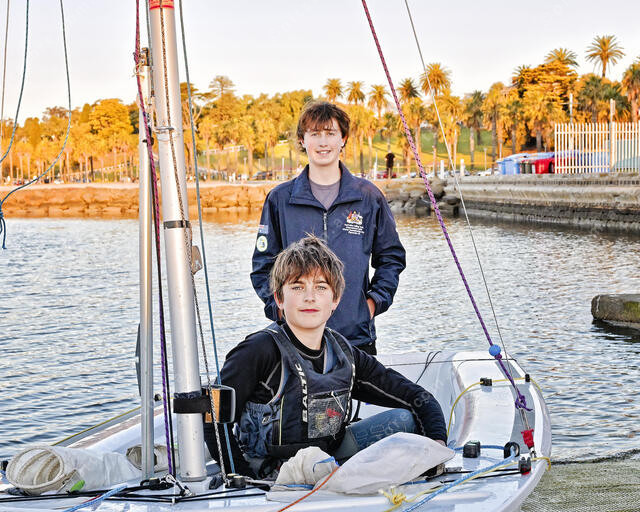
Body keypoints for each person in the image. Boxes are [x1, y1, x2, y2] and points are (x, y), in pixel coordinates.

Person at [207, 236, 446, 478]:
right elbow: (210, 417)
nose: (309, 297)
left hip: (329, 460)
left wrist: (437, 445)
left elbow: (418, 398)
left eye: (321, 287)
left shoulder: (345, 354)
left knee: (404, 420)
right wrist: (244, 479)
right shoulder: (257, 350)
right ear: (279, 298)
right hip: (268, 472)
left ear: (335, 299)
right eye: (297, 287)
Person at [251, 101, 406, 355]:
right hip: (295, 339)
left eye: (330, 133)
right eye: (315, 134)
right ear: (302, 140)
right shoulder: (279, 199)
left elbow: (391, 257)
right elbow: (263, 265)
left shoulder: (368, 197)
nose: (323, 142)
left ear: (342, 139)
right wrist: (278, 309)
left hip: (356, 338)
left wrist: (372, 303)